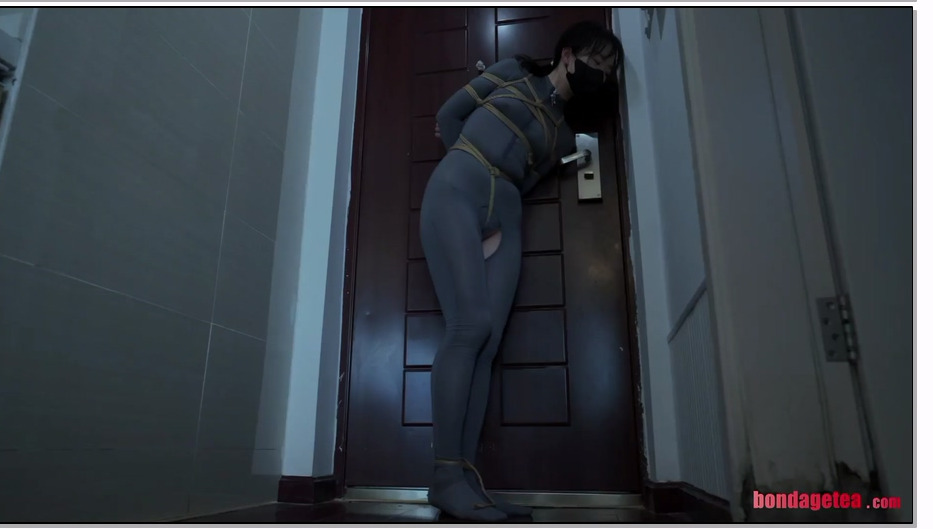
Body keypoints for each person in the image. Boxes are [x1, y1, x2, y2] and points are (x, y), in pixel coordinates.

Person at [420, 20, 624, 522]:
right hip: (458, 189)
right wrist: (469, 170)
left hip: (506, 214)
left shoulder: (564, 135)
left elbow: (529, 180)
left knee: (487, 342)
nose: (602, 74)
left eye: (610, 71)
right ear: (569, 54)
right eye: (597, 62)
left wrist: (496, 204)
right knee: (468, 327)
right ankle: (444, 478)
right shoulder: (512, 73)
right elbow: (449, 115)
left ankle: (467, 480)